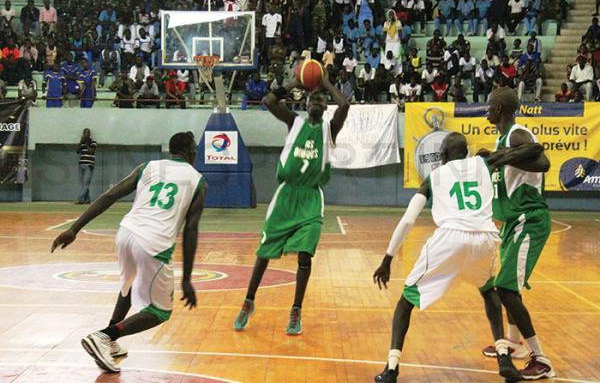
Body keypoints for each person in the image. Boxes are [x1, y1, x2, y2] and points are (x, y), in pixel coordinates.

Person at [373, 132, 547, 382]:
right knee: (489, 292)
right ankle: (503, 357)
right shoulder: (485, 162)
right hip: (485, 239)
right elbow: (525, 152)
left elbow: (408, 219)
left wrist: (388, 258)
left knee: (405, 302)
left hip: (450, 238)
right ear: (465, 152)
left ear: (443, 156)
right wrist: (534, 146)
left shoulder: (434, 176)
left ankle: (391, 369)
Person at [51, 132, 206, 373]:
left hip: (126, 233)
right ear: (190, 151)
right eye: (195, 148)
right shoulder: (197, 180)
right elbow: (191, 230)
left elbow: (111, 195)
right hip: (154, 242)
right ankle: (104, 335)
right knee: (159, 311)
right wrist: (186, 279)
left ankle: (110, 343)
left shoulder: (149, 167)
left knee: (129, 284)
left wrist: (74, 228)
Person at [233, 69, 350, 336]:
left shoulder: (329, 129)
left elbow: (344, 105)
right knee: (264, 253)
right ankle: (248, 301)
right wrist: (295, 83)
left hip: (311, 197)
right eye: (313, 99)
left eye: (322, 100)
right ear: (305, 103)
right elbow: (268, 101)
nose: (318, 102)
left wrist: (325, 82)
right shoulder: (294, 123)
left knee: (305, 255)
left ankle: (296, 309)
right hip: (286, 195)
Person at [478, 87, 554, 380]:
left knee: (506, 289)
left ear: (499, 108)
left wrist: (503, 157)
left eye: (489, 104)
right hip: (512, 222)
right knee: (509, 286)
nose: (486, 108)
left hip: (529, 219)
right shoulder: (503, 140)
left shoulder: (516, 135)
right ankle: (512, 342)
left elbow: (544, 163)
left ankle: (541, 358)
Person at [75, 128, 97, 204]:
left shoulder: (93, 142)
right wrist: (81, 143)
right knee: (82, 183)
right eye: (85, 133)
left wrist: (87, 143)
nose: (86, 134)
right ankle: (87, 200)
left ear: (90, 134)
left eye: (88, 133)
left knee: (86, 183)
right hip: (81, 164)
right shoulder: (82, 142)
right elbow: (77, 151)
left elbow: (91, 152)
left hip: (89, 165)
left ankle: (80, 199)